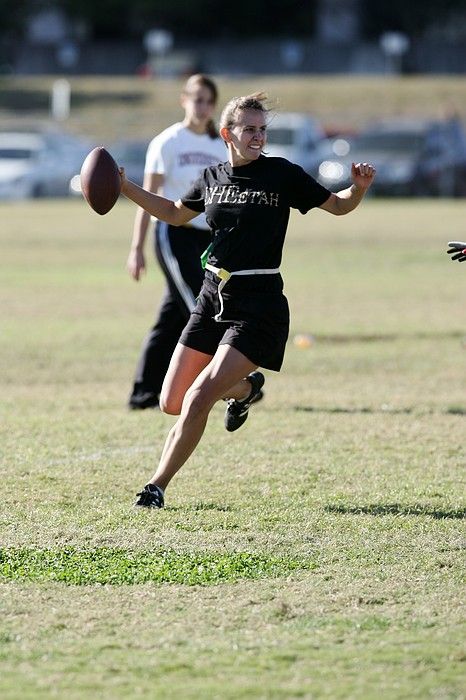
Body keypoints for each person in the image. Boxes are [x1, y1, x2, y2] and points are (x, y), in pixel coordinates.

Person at [118, 92, 376, 508]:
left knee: (200, 398)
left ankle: (156, 486)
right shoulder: (212, 177)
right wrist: (123, 186)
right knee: (172, 401)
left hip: (259, 306)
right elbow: (173, 213)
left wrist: (358, 189)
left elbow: (339, 206)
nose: (257, 137)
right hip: (212, 297)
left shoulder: (281, 174)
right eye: (249, 129)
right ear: (227, 133)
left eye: (262, 130)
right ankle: (244, 390)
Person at [127, 74, 226, 409]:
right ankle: (228, 381)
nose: (202, 106)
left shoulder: (219, 146)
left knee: (173, 313)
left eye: (208, 101)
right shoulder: (167, 142)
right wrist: (136, 248)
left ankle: (144, 392)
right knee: (200, 307)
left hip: (208, 238)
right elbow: (148, 198)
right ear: (184, 100)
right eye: (197, 99)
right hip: (173, 234)